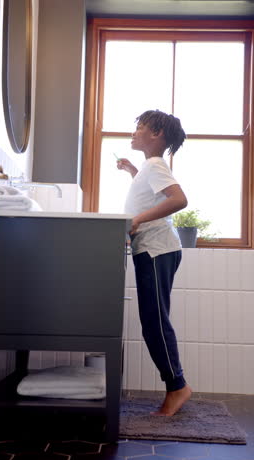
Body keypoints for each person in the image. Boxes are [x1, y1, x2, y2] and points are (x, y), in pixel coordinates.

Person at [117, 109, 191, 416]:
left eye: (140, 128)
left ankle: (177, 388)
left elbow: (178, 200)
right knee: (154, 321)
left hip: (157, 249)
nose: (134, 133)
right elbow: (152, 196)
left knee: (155, 322)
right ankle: (176, 385)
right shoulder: (149, 167)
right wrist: (133, 171)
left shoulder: (157, 165)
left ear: (156, 135)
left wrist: (136, 219)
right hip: (154, 249)